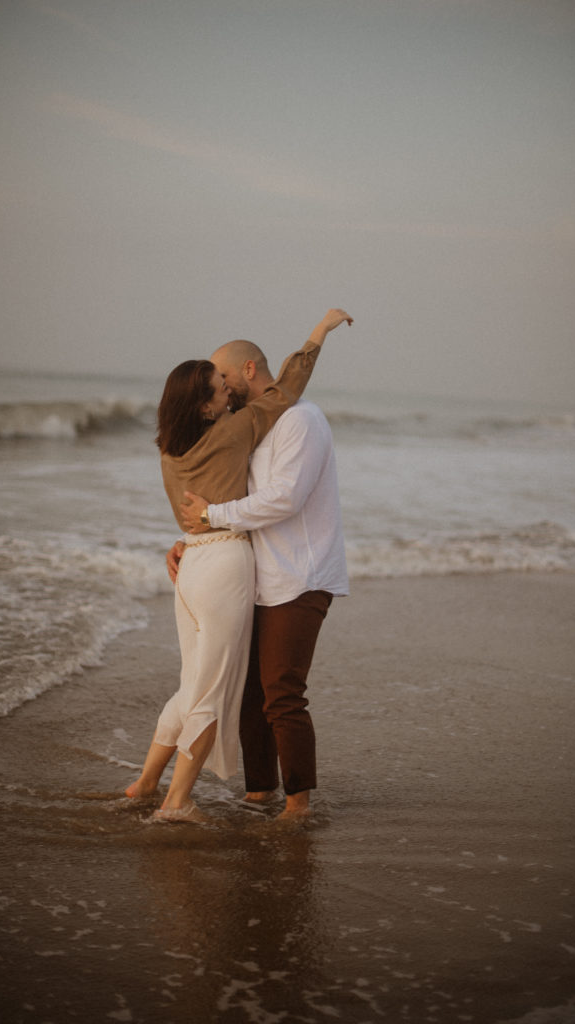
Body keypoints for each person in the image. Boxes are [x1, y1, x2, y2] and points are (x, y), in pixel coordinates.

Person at [126, 309, 353, 822]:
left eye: (225, 377)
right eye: (216, 387)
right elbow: (290, 382)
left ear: (247, 371)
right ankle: (192, 798)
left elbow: (281, 498)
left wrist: (199, 527)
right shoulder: (239, 429)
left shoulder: (181, 447)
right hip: (230, 568)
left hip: (291, 574)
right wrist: (319, 333)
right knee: (229, 688)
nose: (224, 390)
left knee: (271, 690)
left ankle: (290, 802)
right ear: (205, 406)